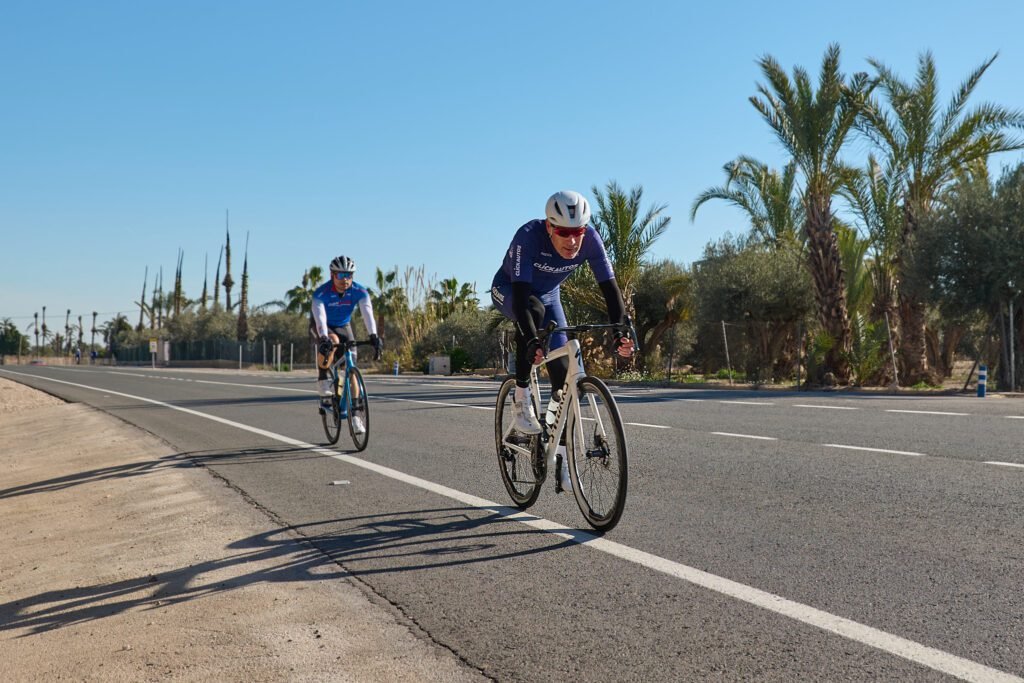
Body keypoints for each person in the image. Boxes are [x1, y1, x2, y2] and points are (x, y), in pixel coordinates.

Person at [491, 190, 635, 438]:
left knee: (564, 381)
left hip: (549, 296)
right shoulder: (528, 237)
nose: (572, 241)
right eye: (564, 233)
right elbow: (524, 300)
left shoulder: (591, 240)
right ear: (549, 227)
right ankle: (522, 398)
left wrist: (620, 331)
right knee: (533, 313)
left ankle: (556, 453)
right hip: (510, 290)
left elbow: (611, 292)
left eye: (577, 232)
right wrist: (532, 340)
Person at [311, 255, 383, 435]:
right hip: (324, 325)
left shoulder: (360, 291)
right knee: (332, 342)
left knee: (352, 370)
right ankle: (323, 381)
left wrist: (373, 335)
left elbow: (367, 313)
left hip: (344, 325)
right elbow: (319, 317)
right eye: (341, 275)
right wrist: (323, 337)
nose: (345, 280)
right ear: (332, 275)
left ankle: (357, 416)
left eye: (349, 275)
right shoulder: (321, 293)